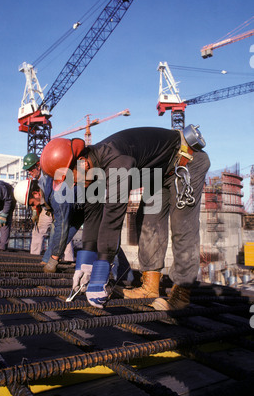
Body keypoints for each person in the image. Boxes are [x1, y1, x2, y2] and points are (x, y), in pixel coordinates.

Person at [40, 126, 210, 310]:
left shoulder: (115, 160)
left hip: (184, 163)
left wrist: (101, 272)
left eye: (70, 178)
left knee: (183, 226)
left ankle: (182, 293)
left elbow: (112, 217)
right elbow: (93, 216)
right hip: (157, 173)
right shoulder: (90, 171)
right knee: (147, 221)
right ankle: (150, 288)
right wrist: (85, 262)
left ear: (82, 162)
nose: (73, 183)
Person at [13, 177, 83, 273]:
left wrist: (54, 259)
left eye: (32, 203)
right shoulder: (48, 188)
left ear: (36, 193)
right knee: (60, 229)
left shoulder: (56, 196)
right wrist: (47, 259)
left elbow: (62, 227)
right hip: (81, 206)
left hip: (91, 201)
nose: (34, 207)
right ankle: (48, 257)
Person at [22, 153, 53, 256]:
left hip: (57, 206)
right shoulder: (37, 180)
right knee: (37, 232)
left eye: (31, 169)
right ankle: (34, 257)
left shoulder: (49, 174)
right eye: (28, 170)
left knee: (63, 233)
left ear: (38, 165)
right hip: (47, 208)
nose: (30, 172)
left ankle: (68, 259)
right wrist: (35, 210)